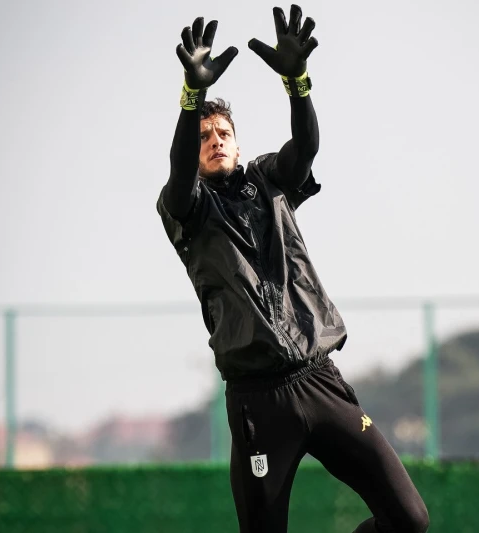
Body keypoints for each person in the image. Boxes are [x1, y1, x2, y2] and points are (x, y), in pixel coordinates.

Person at [157, 5, 429, 532]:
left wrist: (297, 83)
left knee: (409, 520)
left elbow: (305, 148)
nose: (214, 140)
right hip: (259, 402)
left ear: (237, 143)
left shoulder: (268, 181)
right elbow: (176, 171)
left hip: (319, 379)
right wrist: (191, 97)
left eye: (223, 133)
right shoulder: (186, 210)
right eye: (204, 135)